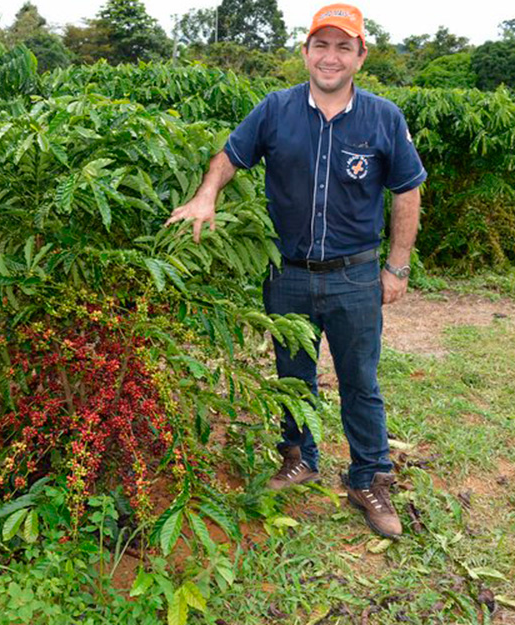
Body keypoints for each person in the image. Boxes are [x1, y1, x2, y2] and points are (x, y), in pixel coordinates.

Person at [167, 3, 426, 538]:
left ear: (360, 56)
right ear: (306, 52)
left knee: (360, 380)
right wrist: (205, 196)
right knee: (293, 375)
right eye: (321, 46)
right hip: (286, 273)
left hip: (355, 273)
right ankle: (299, 458)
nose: (330, 57)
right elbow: (229, 155)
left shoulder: (383, 117)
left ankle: (368, 478)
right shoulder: (275, 109)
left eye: (343, 47)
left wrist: (397, 268)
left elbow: (407, 191)